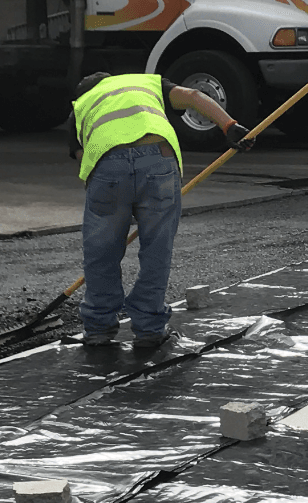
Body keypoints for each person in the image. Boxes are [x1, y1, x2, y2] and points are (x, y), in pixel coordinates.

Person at [70, 70, 255, 353]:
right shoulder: (146, 83)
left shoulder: (81, 106)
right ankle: (149, 329)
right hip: (158, 160)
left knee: (101, 252)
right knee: (156, 251)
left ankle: (97, 329)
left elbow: (84, 160)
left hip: (107, 167)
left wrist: (112, 204)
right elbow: (193, 96)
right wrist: (230, 126)